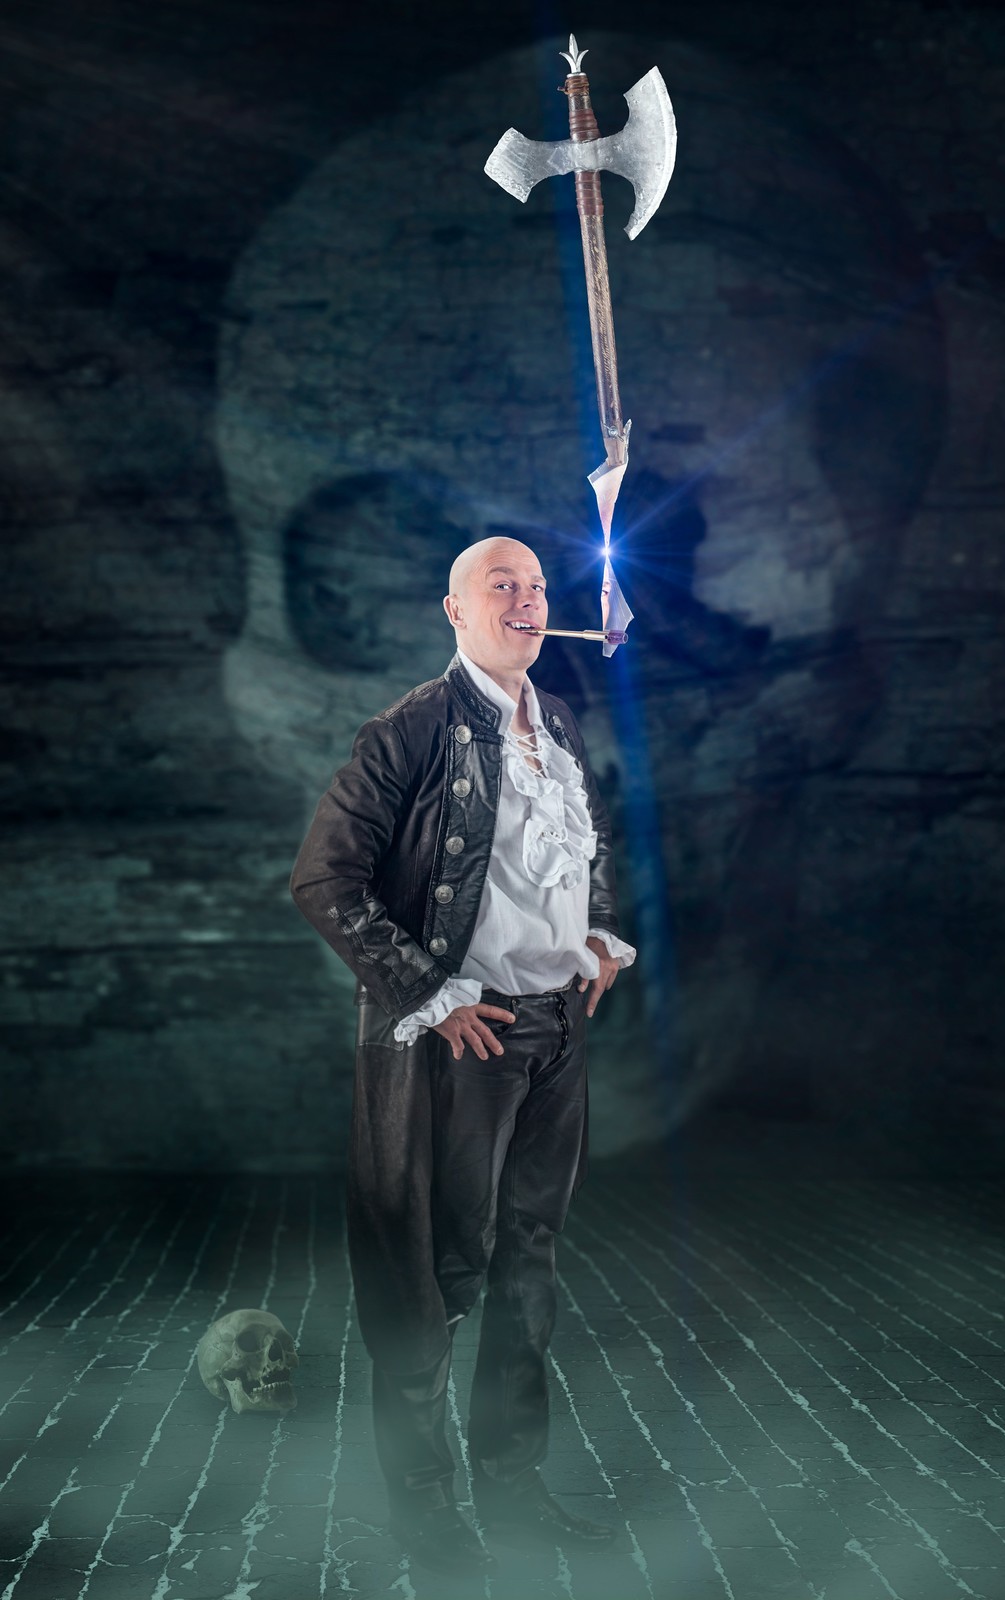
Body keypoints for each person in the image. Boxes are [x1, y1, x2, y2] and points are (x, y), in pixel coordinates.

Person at [290, 536, 635, 1576]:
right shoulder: (409, 729)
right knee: (436, 1276)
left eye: (537, 587)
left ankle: (513, 1481)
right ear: (455, 610)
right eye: (502, 585)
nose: (527, 600)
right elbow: (323, 878)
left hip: (556, 1031)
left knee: (528, 1267)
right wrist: (429, 995)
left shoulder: (555, 719)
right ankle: (426, 1509)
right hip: (466, 1038)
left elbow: (581, 845)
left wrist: (598, 933)